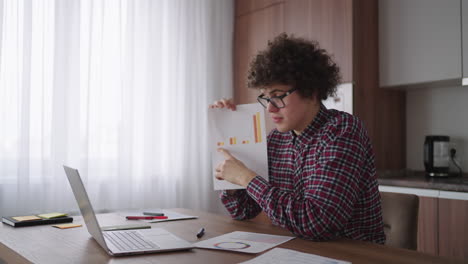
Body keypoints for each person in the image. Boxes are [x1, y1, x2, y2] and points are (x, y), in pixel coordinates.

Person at [210, 33, 385, 244]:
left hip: (356, 255)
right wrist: (231, 137)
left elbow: (318, 223)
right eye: (266, 97)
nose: (270, 108)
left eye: (278, 95)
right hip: (299, 250)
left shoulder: (342, 130)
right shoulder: (276, 140)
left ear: (311, 91)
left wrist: (246, 178)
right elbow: (244, 211)